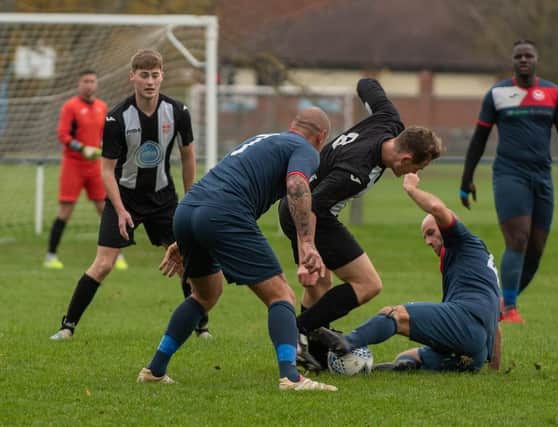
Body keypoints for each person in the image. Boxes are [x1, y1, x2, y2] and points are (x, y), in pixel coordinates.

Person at [137, 107, 338, 392]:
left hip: (188, 210)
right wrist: (307, 242)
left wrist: (185, 238)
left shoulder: (260, 139)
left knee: (205, 294)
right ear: (321, 137)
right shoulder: (305, 149)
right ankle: (291, 378)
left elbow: (223, 180)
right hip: (223, 213)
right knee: (282, 295)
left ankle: (154, 370)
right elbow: (296, 183)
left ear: (293, 124)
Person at [278, 78, 443, 369]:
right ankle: (297, 331)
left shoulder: (389, 121)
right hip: (307, 212)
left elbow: (366, 84)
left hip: (302, 208)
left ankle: (310, 353)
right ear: (405, 158)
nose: (417, 171)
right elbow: (313, 204)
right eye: (419, 166)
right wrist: (308, 248)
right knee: (367, 283)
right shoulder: (355, 171)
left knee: (319, 284)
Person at [50, 48, 209, 340]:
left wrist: (189, 199)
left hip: (164, 199)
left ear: (162, 76)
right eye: (144, 75)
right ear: (132, 77)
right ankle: (67, 326)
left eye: (155, 75)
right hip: (125, 199)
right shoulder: (116, 118)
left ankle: (201, 328)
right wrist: (121, 209)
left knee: (184, 259)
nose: (150, 81)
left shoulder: (177, 112)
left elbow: (188, 156)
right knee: (104, 264)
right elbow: (107, 169)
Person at [315, 172, 502, 373]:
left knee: (394, 314)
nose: (428, 242)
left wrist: (411, 189)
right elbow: (496, 324)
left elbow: (437, 208)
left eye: (431, 233)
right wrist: (494, 369)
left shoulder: (460, 240)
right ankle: (407, 367)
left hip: (465, 323)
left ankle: (346, 342)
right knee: (406, 357)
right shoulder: (480, 262)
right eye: (425, 237)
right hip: (476, 352)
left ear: (445, 226)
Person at [460, 40, 558, 323]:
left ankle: (500, 303)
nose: (523, 60)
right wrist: (466, 180)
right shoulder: (498, 94)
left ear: (537, 59)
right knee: (518, 238)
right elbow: (479, 139)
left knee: (536, 248)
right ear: (513, 61)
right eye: (518, 56)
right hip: (508, 174)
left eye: (528, 55)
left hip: (542, 175)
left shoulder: (554, 94)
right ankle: (510, 309)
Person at [43, 70, 128, 271]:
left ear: (96, 84)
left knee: (105, 209)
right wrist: (81, 148)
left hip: (95, 167)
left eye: (92, 81)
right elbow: (63, 135)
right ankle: (51, 255)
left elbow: (104, 135)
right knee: (65, 211)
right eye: (85, 81)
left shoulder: (102, 107)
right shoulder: (70, 107)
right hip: (73, 165)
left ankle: (117, 254)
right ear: (79, 84)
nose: (89, 85)